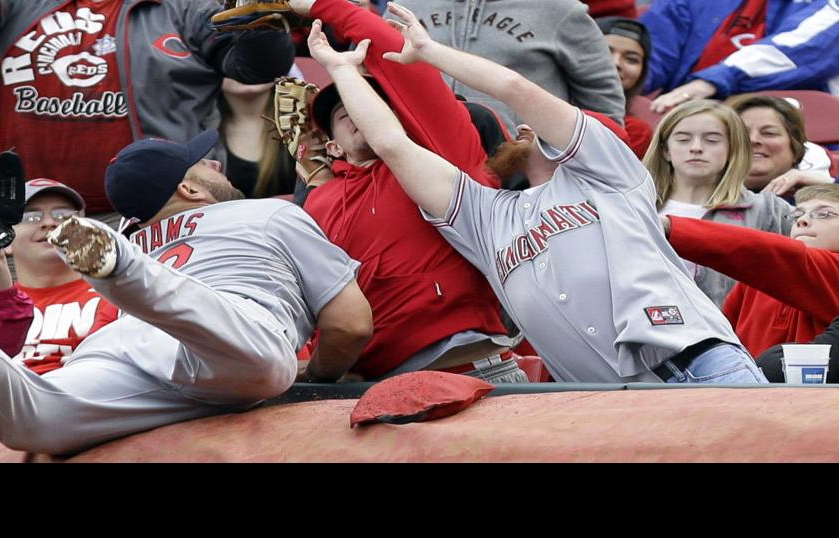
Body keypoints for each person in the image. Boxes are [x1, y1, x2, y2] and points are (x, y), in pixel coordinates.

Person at [314, 2, 767, 384]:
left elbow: (515, 88)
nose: (511, 131)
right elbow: (393, 146)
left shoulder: (610, 177)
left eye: (522, 129)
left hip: (702, 364)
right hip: (605, 402)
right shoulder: (486, 216)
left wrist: (431, 52)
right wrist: (341, 70)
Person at [0, 131, 372, 455]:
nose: (217, 166)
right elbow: (351, 325)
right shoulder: (269, 212)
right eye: (204, 165)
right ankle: (123, 270)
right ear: (192, 191)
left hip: (126, 347)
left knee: (38, 421)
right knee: (266, 363)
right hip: (233, 333)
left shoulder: (142, 234)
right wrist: (322, 375)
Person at [0, 0, 295, 291]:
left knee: (147, 359)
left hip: (151, 223)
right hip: (15, 226)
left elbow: (259, 67)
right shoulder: (10, 5)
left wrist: (262, 18)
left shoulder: (186, 7)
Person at [292, 0, 524, 384]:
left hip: (469, 371)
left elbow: (411, 77)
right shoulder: (317, 203)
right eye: (341, 109)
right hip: (369, 389)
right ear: (331, 146)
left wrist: (323, 6)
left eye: (374, 100)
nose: (355, 105)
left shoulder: (439, 159)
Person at [0, 179, 120, 375]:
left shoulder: (115, 298)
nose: (49, 223)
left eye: (63, 215)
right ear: (6, 240)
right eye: (31, 217)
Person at [663, 184, 839, 360]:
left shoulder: (773, 263)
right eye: (797, 215)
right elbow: (721, 345)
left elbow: (769, 252)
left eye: (824, 214)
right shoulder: (753, 281)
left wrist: (671, 228)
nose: (803, 220)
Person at [644, 99, 792, 306]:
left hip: (732, 333)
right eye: (683, 139)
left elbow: (821, 260)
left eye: (712, 140)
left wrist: (823, 182)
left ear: (732, 150)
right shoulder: (636, 207)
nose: (696, 148)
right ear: (665, 150)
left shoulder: (767, 210)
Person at [392, 0, 625, 128]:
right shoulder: (405, 6)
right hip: (417, 167)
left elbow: (605, 115)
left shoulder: (561, 10)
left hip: (521, 178)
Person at [643, 0, 839, 114]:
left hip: (792, 136)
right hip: (689, 122)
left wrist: (712, 82)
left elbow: (806, 47)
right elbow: (650, 55)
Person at [726, 94, 835, 196]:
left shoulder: (818, 203)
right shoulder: (710, 199)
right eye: (741, 133)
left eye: (769, 133)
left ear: (796, 149)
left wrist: (830, 185)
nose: (752, 140)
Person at [217, 78, 299, 198]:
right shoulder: (196, 129)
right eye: (233, 59)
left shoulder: (307, 122)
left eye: (257, 59)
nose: (246, 70)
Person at [598, 16, 654, 159]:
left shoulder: (636, 132)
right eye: (605, 51)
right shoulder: (541, 103)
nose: (616, 63)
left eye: (631, 59)